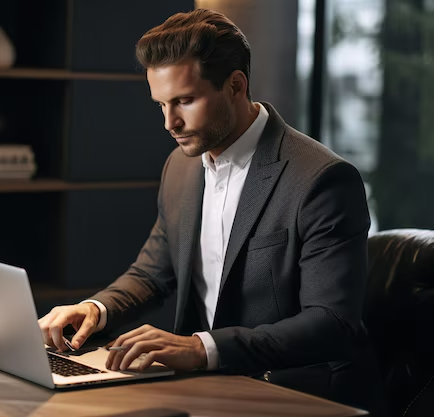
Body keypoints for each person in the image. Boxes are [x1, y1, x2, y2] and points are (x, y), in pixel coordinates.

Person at [39, 8, 383, 414]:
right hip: (201, 386)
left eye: (185, 101)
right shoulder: (181, 166)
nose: (170, 122)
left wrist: (200, 348)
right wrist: (96, 310)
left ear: (236, 85)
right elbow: (152, 272)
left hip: (291, 391)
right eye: (161, 104)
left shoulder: (322, 180)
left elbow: (333, 324)